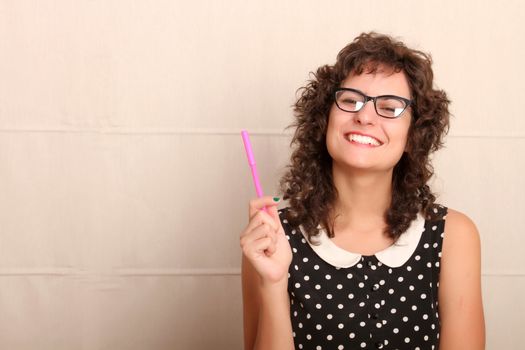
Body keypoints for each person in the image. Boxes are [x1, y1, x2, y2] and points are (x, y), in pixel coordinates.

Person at [240, 32, 485, 350]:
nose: (364, 116)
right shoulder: (269, 237)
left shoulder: (454, 235)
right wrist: (273, 283)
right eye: (350, 100)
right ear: (324, 117)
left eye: (390, 107)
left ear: (414, 135)